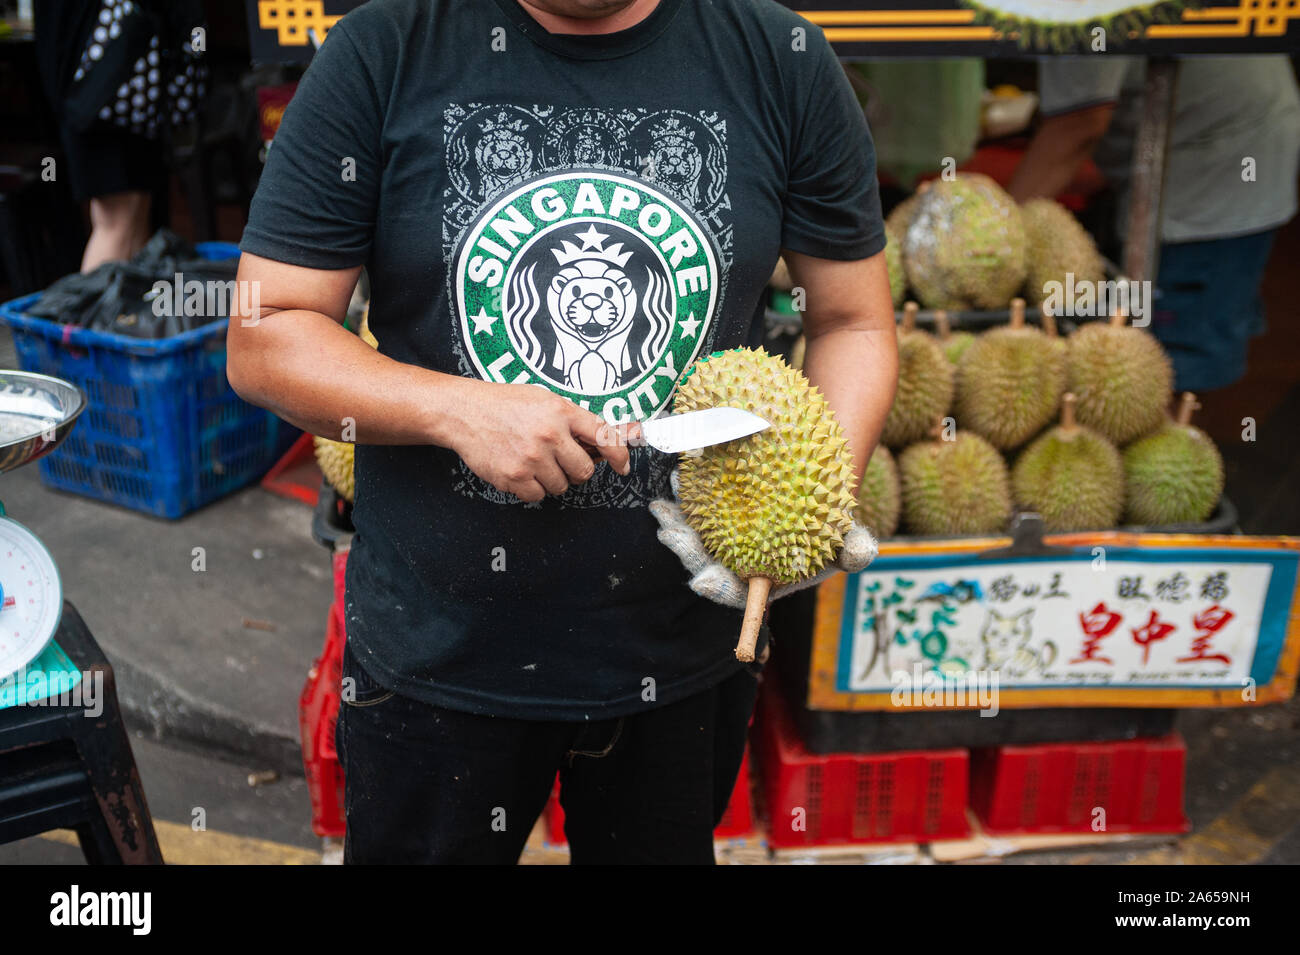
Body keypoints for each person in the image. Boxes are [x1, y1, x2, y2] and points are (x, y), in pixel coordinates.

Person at [229, 0, 897, 864]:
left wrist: (804, 506)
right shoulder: (385, 47)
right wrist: (457, 408)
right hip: (439, 653)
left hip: (685, 648)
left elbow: (854, 322)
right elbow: (264, 331)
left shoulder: (779, 54)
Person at [1009, 55, 1300, 392]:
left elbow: (1081, 123)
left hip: (1211, 174)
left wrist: (999, 229)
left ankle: (1182, 420)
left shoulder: (1077, 6)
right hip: (1225, 143)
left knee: (1173, 366)